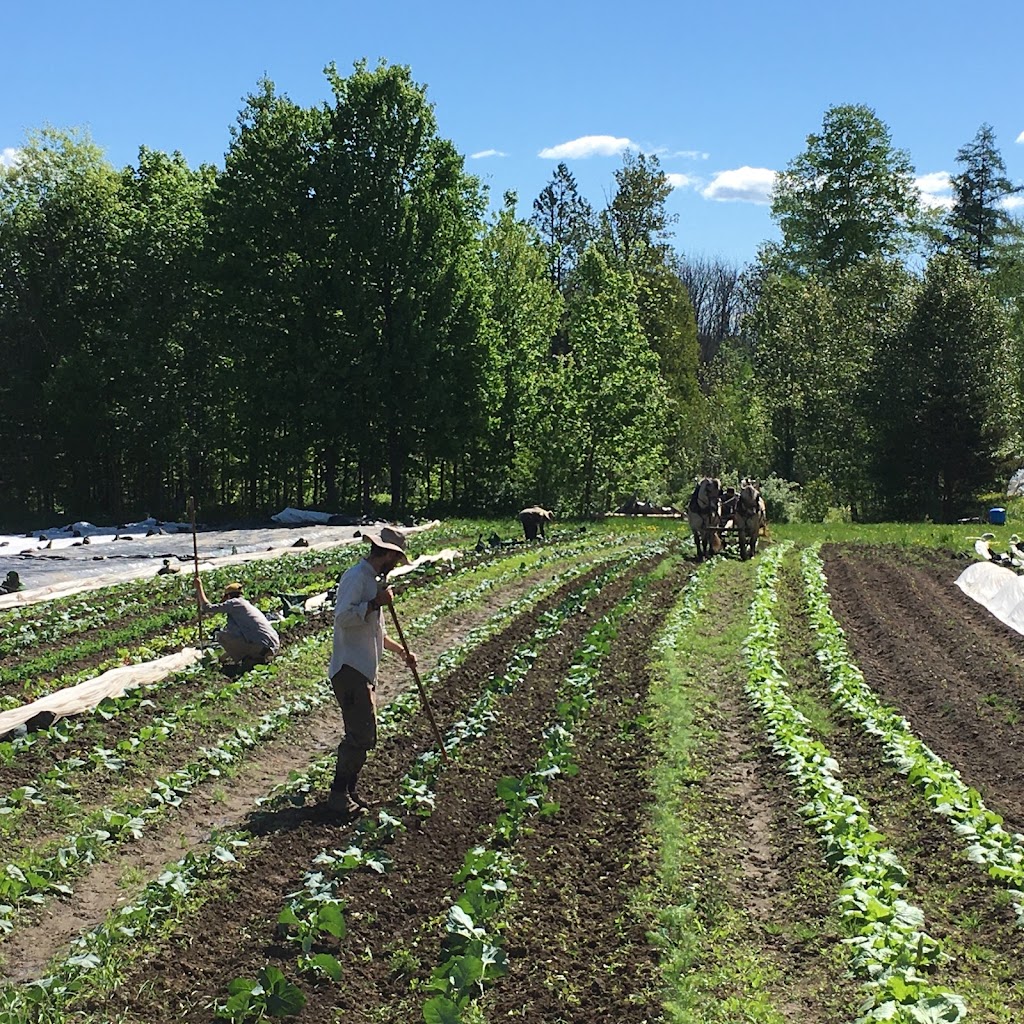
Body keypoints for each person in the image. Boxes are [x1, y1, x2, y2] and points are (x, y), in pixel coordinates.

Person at [328, 526, 417, 818]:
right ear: (388, 554)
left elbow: (376, 631)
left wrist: (401, 651)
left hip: (363, 668)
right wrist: (375, 603)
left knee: (364, 734)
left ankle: (350, 791)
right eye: (396, 557)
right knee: (361, 735)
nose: (395, 564)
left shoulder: (372, 580)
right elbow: (342, 618)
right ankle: (338, 796)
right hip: (349, 668)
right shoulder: (357, 578)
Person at [193, 578, 280, 672]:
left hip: (263, 645)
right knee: (233, 634)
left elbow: (207, 608)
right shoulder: (245, 604)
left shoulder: (234, 603)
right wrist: (221, 659)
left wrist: (199, 587)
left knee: (222, 636)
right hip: (273, 645)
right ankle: (256, 656)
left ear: (228, 596)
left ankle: (254, 658)